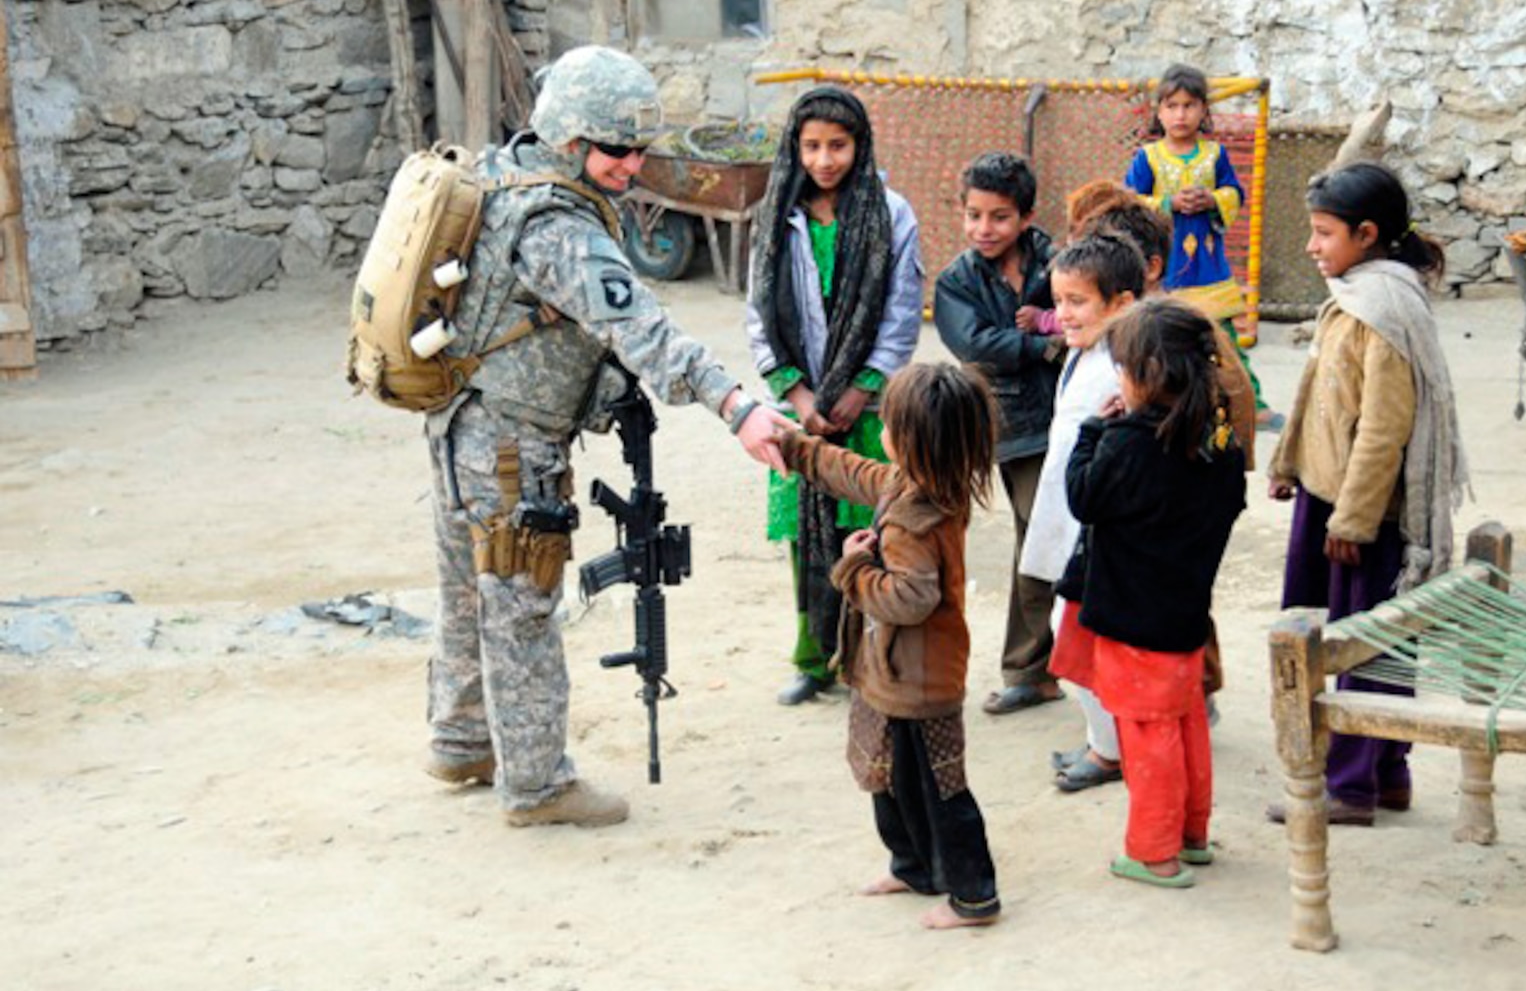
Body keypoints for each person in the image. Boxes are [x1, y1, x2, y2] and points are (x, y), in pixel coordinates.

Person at [420, 45, 794, 827]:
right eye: (618, 150)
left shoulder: (502, 173)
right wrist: (737, 407)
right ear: (569, 138)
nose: (632, 166)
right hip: (513, 451)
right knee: (521, 604)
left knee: (466, 589)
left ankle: (461, 740)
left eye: (639, 150)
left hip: (461, 425)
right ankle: (536, 785)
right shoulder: (557, 226)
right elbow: (642, 329)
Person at [1267, 162, 1469, 827]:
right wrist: (1289, 461)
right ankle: (1388, 773)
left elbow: (1384, 428)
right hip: (1329, 497)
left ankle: (1352, 786)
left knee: (1365, 644)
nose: (1311, 246)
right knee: (1367, 638)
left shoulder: (1383, 310)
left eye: (1324, 233)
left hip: (1364, 514)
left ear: (1367, 233)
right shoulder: (1354, 296)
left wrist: (1352, 521)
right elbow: (1318, 395)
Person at [776, 362, 1003, 929]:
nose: (881, 433)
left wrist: (852, 566)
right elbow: (854, 473)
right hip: (890, 673)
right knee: (889, 779)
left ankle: (974, 897)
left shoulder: (918, 520)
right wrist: (797, 450)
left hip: (922, 682)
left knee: (940, 790)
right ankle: (913, 867)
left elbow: (908, 599)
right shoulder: (913, 484)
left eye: (890, 424)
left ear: (914, 441)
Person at [1051, 300, 1246, 887]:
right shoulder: (1219, 446)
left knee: (1147, 734)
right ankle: (1192, 835)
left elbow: (1084, 497)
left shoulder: (1133, 444)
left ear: (1148, 376)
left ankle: (1153, 851)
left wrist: (1097, 429)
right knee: (1183, 723)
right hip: (1184, 611)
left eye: (1123, 369)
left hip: (1134, 619)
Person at [746, 86, 924, 707]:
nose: (825, 159)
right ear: (795, 148)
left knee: (873, 533)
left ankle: (868, 658)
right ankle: (813, 658)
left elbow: (902, 310)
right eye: (813, 145)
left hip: (867, 413)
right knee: (806, 540)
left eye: (838, 145)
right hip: (802, 414)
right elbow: (758, 312)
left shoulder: (890, 213)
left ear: (860, 144)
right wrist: (795, 395)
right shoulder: (776, 214)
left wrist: (863, 387)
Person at [933, 152, 1067, 716]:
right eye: (974, 216)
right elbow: (975, 345)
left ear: (1027, 217)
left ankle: (1055, 664)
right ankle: (1029, 669)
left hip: (1069, 414)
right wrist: (1044, 344)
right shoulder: (956, 281)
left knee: (1062, 537)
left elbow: (1089, 309)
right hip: (1010, 426)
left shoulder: (1055, 260)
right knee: (1038, 538)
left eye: (1000, 217)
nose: (984, 229)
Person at [1017, 232, 1147, 793]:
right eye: (1058, 301)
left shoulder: (1128, 365)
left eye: (1077, 303)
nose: (1062, 315)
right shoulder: (1086, 352)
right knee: (1071, 631)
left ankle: (1112, 750)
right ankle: (1105, 741)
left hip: (1097, 526)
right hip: (1069, 512)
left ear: (1121, 304)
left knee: (1075, 635)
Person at [1124, 63, 1280, 430]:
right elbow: (1129, 203)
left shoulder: (1215, 155)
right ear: (1158, 112)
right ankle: (1158, 404)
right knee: (1159, 339)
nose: (1181, 114)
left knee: (1224, 339)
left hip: (1208, 266)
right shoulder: (1148, 158)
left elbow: (1234, 193)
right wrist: (1168, 205)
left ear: (1203, 111)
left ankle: (1251, 405)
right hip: (1165, 267)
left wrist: (1211, 199)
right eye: (1172, 106)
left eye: (1190, 105)